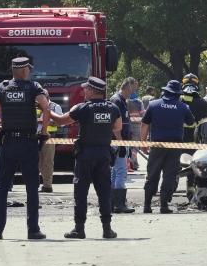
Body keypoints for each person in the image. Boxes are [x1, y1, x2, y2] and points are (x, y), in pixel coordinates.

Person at [0, 57, 51, 240]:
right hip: (28, 143)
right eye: (29, 69)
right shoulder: (34, 88)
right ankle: (33, 230)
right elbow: (46, 109)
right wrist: (44, 132)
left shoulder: (0, 88)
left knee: (2, 187)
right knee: (32, 188)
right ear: (25, 70)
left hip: (8, 142)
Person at [50, 77, 122, 239]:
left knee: (81, 193)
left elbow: (61, 121)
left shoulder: (82, 108)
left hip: (85, 155)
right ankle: (107, 229)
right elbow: (117, 127)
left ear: (91, 90)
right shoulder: (113, 108)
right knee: (104, 192)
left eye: (85, 89)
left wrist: (48, 110)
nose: (83, 91)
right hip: (104, 154)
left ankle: (79, 228)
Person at [141, 80, 194, 214]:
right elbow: (191, 121)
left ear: (165, 91)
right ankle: (164, 206)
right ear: (177, 94)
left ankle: (147, 205)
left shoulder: (153, 105)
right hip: (174, 147)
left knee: (152, 174)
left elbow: (145, 124)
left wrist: (143, 143)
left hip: (156, 146)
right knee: (169, 176)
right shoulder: (183, 107)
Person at [109, 79, 135, 214]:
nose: (132, 93)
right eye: (131, 90)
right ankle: (119, 204)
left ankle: (112, 203)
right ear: (126, 87)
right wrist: (121, 143)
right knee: (120, 172)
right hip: (118, 142)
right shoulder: (117, 101)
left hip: (119, 141)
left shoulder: (121, 100)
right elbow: (115, 126)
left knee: (115, 172)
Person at [37, 98, 63, 193]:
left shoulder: (55, 107)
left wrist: (45, 121)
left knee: (47, 162)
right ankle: (34, 185)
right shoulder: (34, 105)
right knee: (34, 161)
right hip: (34, 136)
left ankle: (47, 186)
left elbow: (61, 123)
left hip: (49, 137)